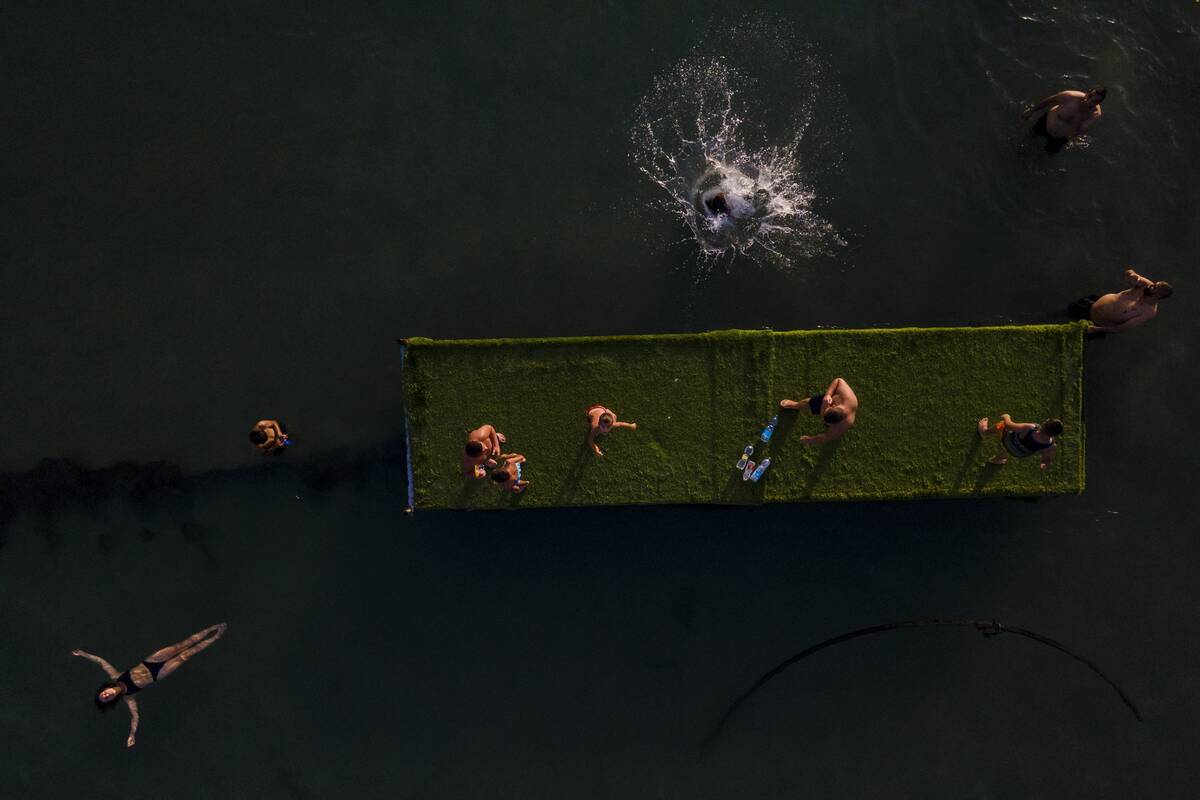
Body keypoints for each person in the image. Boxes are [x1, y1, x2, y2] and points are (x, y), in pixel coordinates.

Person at [72, 623, 227, 747]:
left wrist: (84, 654)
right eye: (106, 699)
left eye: (103, 694)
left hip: (151, 661)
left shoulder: (116, 676)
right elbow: (135, 716)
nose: (106, 695)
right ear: (111, 700)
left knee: (181, 645)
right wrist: (132, 734)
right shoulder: (129, 697)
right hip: (158, 674)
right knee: (186, 655)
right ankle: (216, 637)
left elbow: (101, 662)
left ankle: (212, 628)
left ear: (105, 689)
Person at [1069, 268, 1173, 334]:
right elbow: (1130, 273)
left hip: (1095, 323)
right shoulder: (1146, 285)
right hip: (1092, 304)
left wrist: (1096, 329)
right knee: (1069, 309)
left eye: (1155, 288)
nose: (1151, 286)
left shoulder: (1149, 312)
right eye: (1154, 284)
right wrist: (1131, 274)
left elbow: (1123, 327)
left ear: (1159, 296)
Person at [1021, 86, 1105, 152]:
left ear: (1098, 103)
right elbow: (1049, 100)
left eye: (1094, 101)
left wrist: (1079, 115)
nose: (1089, 101)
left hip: (1060, 138)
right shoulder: (1069, 96)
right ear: (1087, 92)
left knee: (1048, 152)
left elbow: (1072, 134)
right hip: (1045, 124)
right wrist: (1031, 111)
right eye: (1090, 96)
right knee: (1030, 137)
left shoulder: (1094, 114)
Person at [780, 377, 858, 445]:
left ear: (834, 424)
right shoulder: (846, 395)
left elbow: (826, 437)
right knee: (809, 403)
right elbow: (839, 380)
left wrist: (811, 440)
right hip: (828, 399)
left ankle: (797, 406)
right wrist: (828, 395)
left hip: (832, 415)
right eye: (825, 409)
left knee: (832, 433)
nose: (823, 409)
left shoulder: (842, 425)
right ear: (833, 406)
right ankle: (795, 405)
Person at [977, 415, 1061, 469]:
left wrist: (1006, 417)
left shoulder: (1030, 428)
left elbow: (1009, 426)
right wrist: (1044, 464)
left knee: (1002, 424)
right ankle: (997, 459)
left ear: (1044, 424)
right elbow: (1046, 459)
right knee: (1014, 448)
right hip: (1018, 453)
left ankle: (984, 432)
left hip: (1008, 441)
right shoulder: (1051, 445)